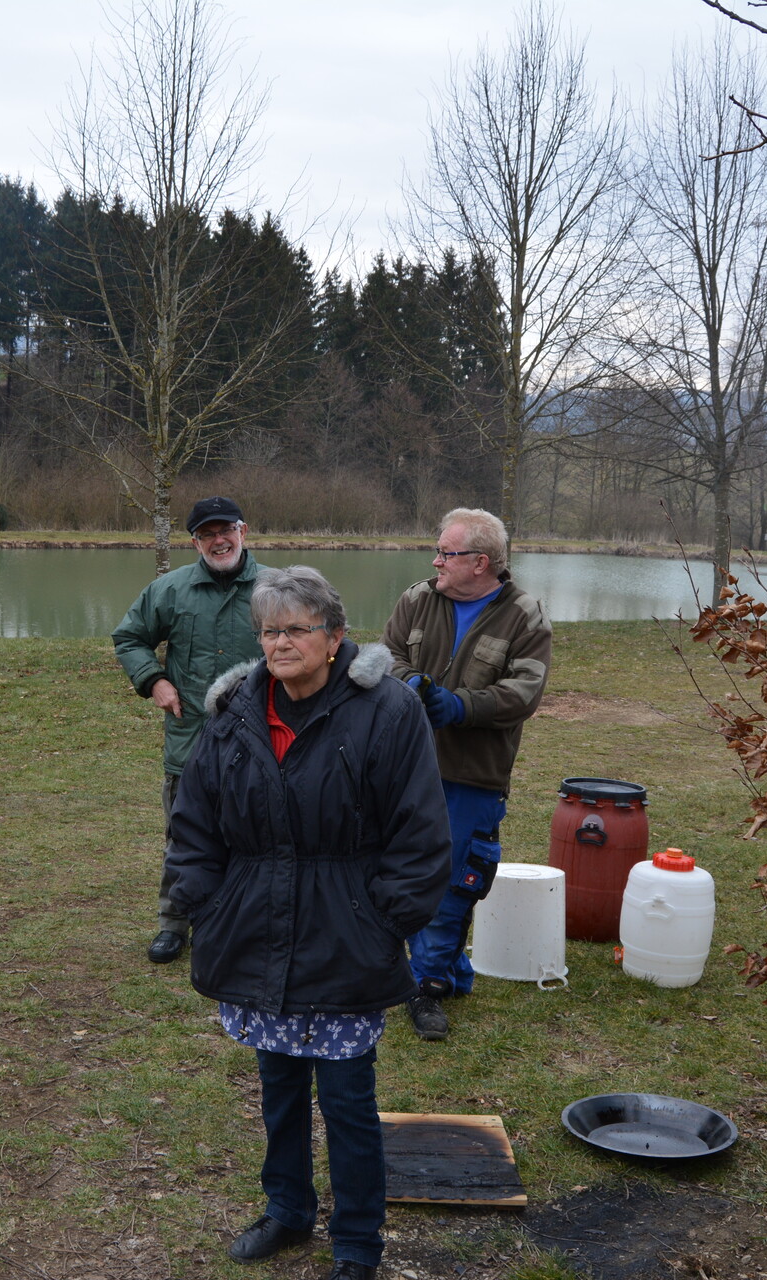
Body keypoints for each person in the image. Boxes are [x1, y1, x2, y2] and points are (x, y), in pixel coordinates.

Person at [166, 566, 450, 1280]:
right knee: (280, 1086)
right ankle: (287, 1211)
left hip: (346, 933)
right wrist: (202, 904)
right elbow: (195, 823)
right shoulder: (234, 711)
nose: (279, 643)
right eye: (269, 630)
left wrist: (383, 921)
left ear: (334, 638)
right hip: (258, 929)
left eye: (296, 629)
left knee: (350, 1101)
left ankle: (357, 1243)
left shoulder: (387, 711)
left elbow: (420, 836)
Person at [382, 508, 551, 1042]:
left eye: (446, 553)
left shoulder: (524, 615)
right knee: (403, 869)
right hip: (404, 766)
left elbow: (525, 692)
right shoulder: (417, 599)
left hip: (472, 774)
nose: (436, 561)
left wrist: (461, 706)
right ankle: (447, 973)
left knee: (453, 879)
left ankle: (425, 987)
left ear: (480, 563)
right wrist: (412, 686)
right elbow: (384, 655)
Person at [112, 496, 266, 964]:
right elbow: (130, 637)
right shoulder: (170, 590)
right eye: (207, 534)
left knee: (256, 834)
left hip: (261, 740)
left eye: (226, 531)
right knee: (184, 834)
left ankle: (240, 922)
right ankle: (174, 923)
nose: (219, 541)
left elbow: (314, 641)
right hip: (190, 740)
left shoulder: (277, 588)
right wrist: (153, 679)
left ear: (243, 531)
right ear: (195, 541)